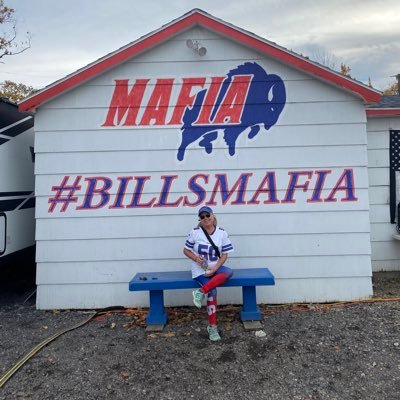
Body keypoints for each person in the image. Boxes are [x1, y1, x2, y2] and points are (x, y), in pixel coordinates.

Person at [183, 206, 234, 341]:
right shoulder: (195, 232)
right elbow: (186, 250)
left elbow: (224, 255)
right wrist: (196, 259)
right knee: (212, 291)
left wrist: (216, 267)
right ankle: (212, 327)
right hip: (201, 269)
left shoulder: (221, 233)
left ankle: (200, 292)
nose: (205, 218)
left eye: (207, 215)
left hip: (215, 267)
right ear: (199, 219)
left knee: (228, 272)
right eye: (202, 216)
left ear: (213, 216)